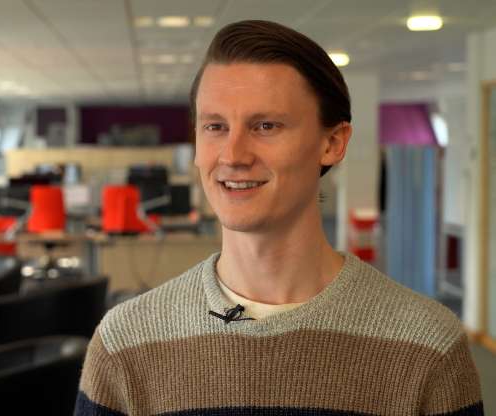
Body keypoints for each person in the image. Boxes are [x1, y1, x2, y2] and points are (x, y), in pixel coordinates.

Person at [75, 20, 483, 416]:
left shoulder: (427, 346)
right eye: (215, 126)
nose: (233, 155)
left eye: (265, 126)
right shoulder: (126, 342)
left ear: (333, 143)